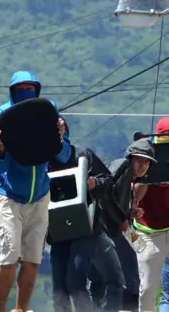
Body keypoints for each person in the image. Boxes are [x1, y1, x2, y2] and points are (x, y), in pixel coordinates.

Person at [0, 70, 71, 312]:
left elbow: (63, 155)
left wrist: (61, 135)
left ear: (37, 89)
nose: (25, 91)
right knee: (10, 252)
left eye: (29, 87)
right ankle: (0, 308)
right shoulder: (0, 116)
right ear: (12, 90)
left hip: (40, 194)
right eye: (20, 87)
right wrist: (1, 144)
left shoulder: (48, 111)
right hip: (8, 194)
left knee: (34, 256)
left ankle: (21, 309)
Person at [46, 131, 125, 312]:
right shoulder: (42, 162)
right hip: (57, 232)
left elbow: (108, 181)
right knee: (59, 288)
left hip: (86, 227)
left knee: (75, 283)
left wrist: (94, 183)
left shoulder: (82, 155)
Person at [88, 138, 156, 312]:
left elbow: (114, 200)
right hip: (105, 231)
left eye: (147, 162)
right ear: (131, 158)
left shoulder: (129, 176)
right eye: (140, 160)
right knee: (120, 279)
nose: (143, 165)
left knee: (100, 281)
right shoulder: (122, 166)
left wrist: (129, 213)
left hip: (104, 231)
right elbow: (105, 195)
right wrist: (122, 218)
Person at [129, 117, 169, 312]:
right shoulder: (146, 163)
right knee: (148, 289)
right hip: (147, 234)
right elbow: (134, 198)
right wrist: (148, 174)